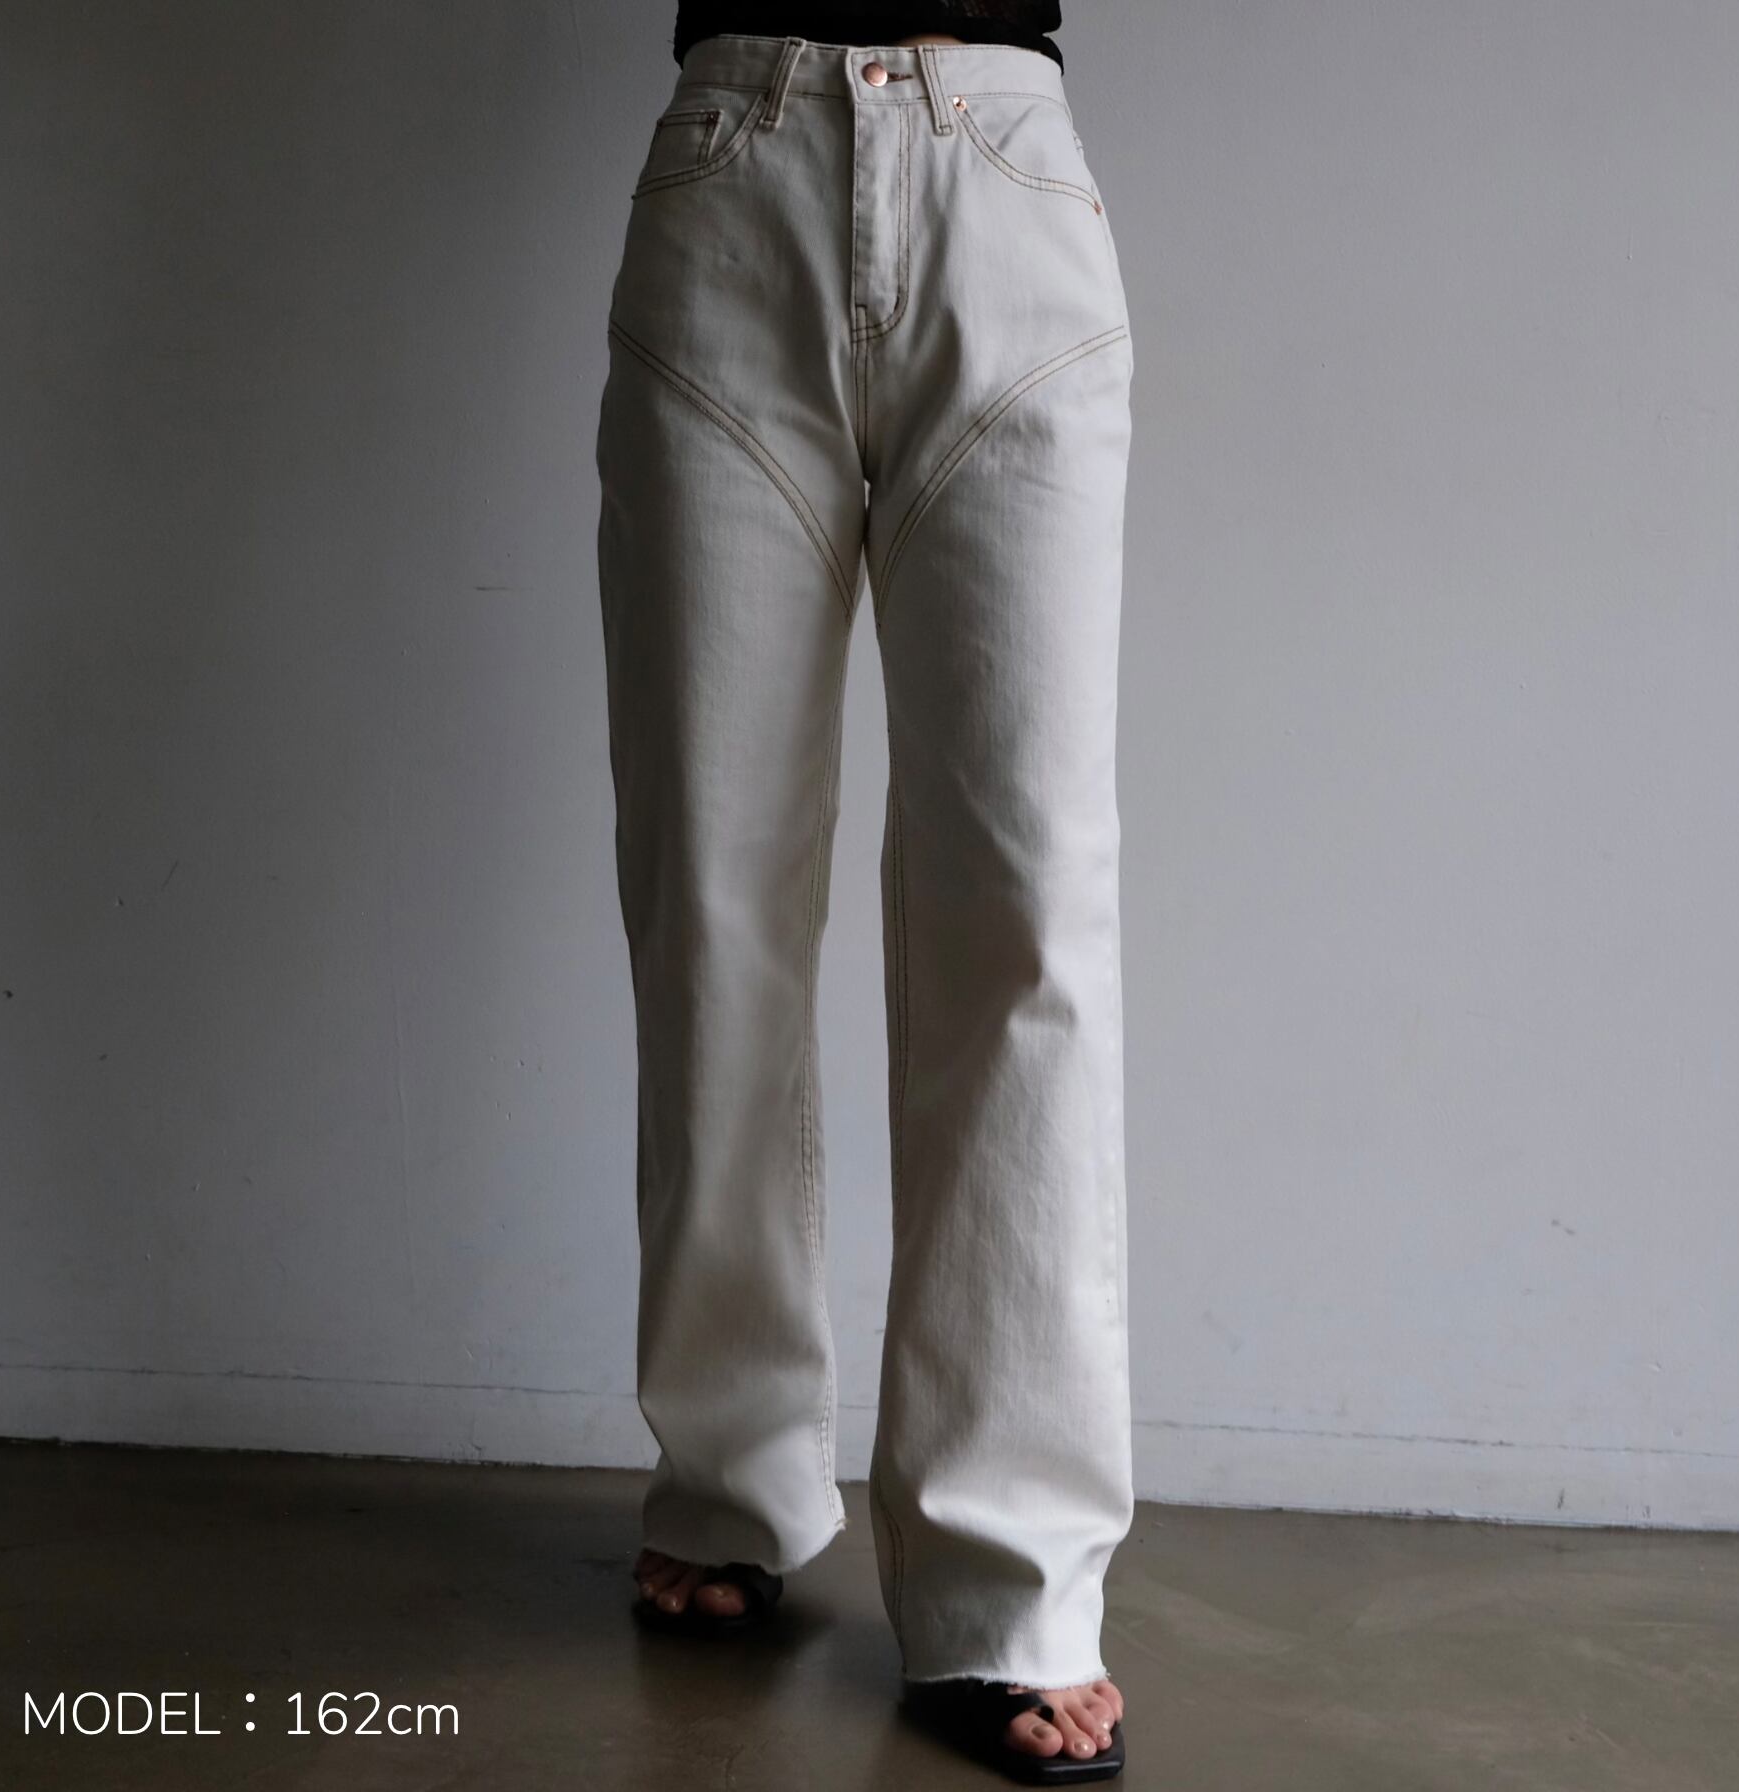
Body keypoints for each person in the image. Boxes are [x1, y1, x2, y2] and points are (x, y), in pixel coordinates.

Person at [595, 7, 1134, 1781]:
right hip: (732, 162)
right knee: (714, 887)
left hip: (1004, 166)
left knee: (1026, 907)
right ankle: (729, 1470)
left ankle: (1011, 1575)